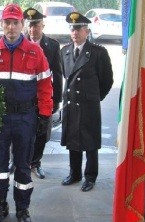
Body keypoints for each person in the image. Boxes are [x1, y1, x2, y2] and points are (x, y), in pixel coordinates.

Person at [0, 3, 53, 222]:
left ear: (22, 25)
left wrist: (44, 115)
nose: (11, 27)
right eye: (7, 23)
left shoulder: (35, 51)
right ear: (1, 24)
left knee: (23, 165)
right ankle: (0, 206)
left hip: (25, 118)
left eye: (15, 23)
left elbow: (45, 86)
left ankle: (22, 208)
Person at [60, 12, 113, 192]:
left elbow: (107, 81)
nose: (75, 32)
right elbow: (66, 76)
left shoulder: (98, 53)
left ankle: (90, 176)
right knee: (72, 140)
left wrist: (94, 98)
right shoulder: (65, 51)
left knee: (90, 142)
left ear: (87, 31)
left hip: (88, 104)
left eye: (79, 28)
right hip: (71, 103)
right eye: (72, 28)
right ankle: (74, 174)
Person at [23, 7, 63, 179]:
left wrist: (56, 100)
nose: (33, 29)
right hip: (22, 97)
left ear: (42, 26)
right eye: (30, 25)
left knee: (40, 133)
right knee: (20, 131)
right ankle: (18, 161)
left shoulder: (52, 46)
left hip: (42, 97)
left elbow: (58, 74)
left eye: (36, 25)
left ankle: (35, 163)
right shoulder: (19, 42)